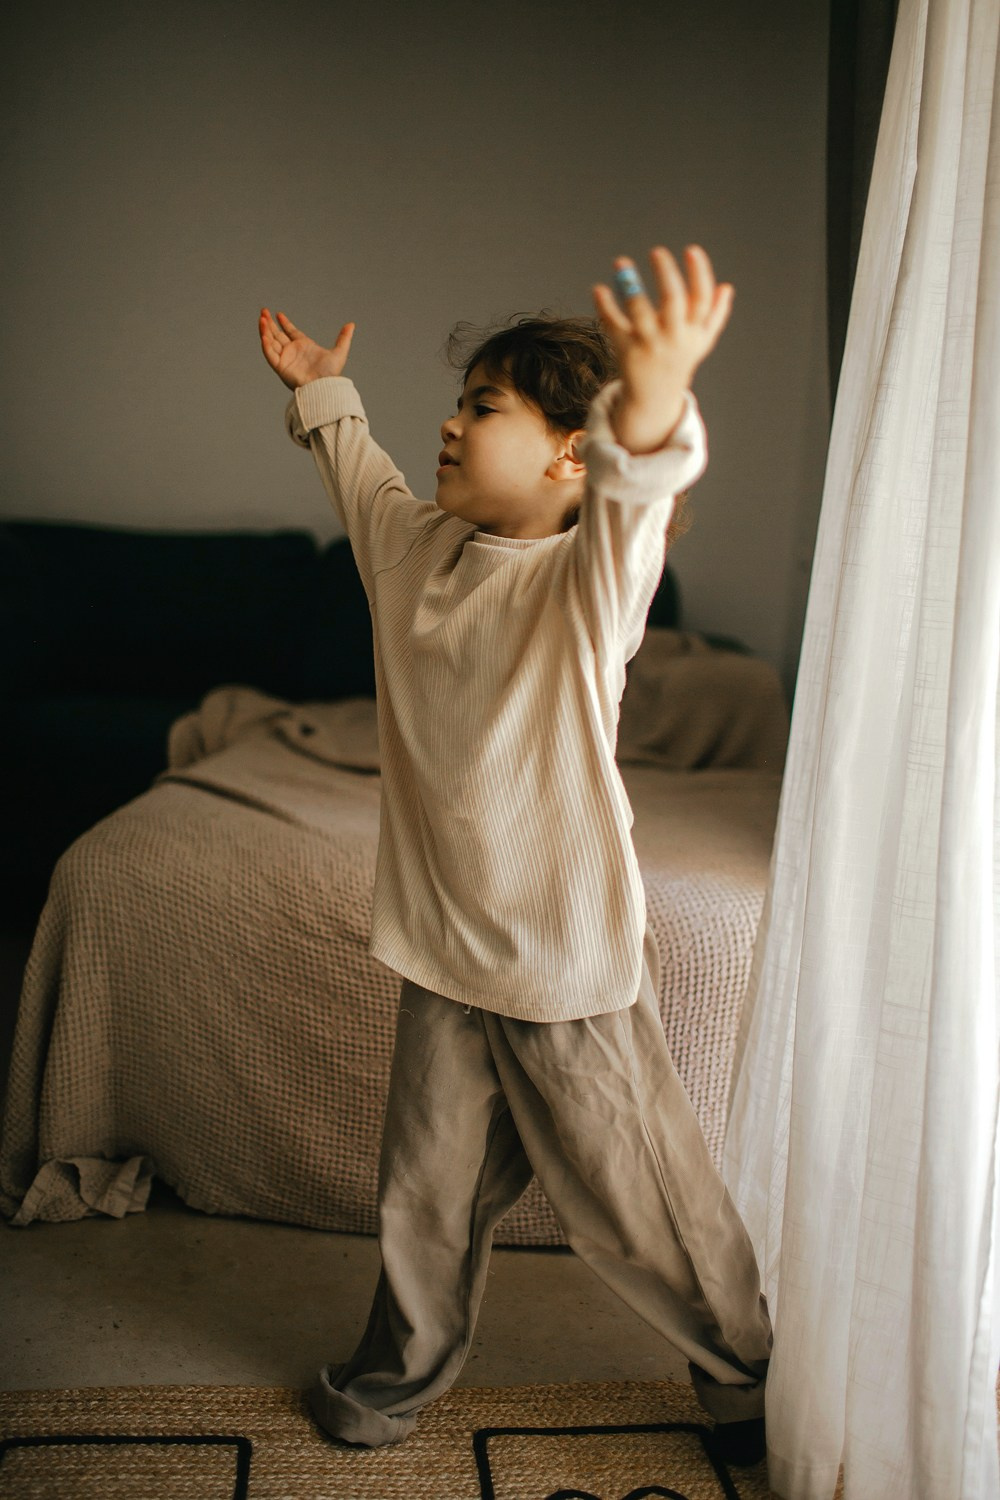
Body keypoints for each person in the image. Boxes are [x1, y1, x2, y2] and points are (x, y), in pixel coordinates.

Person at [257, 245, 772, 1467]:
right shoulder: (410, 552)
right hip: (442, 950)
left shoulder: (581, 588)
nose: (449, 419)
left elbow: (636, 504)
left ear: (568, 457)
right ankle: (388, 1380)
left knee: (641, 1206)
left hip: (563, 963)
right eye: (460, 397)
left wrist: (646, 405)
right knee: (423, 1202)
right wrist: (323, 393)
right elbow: (359, 470)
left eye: (483, 406)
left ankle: (749, 1371)